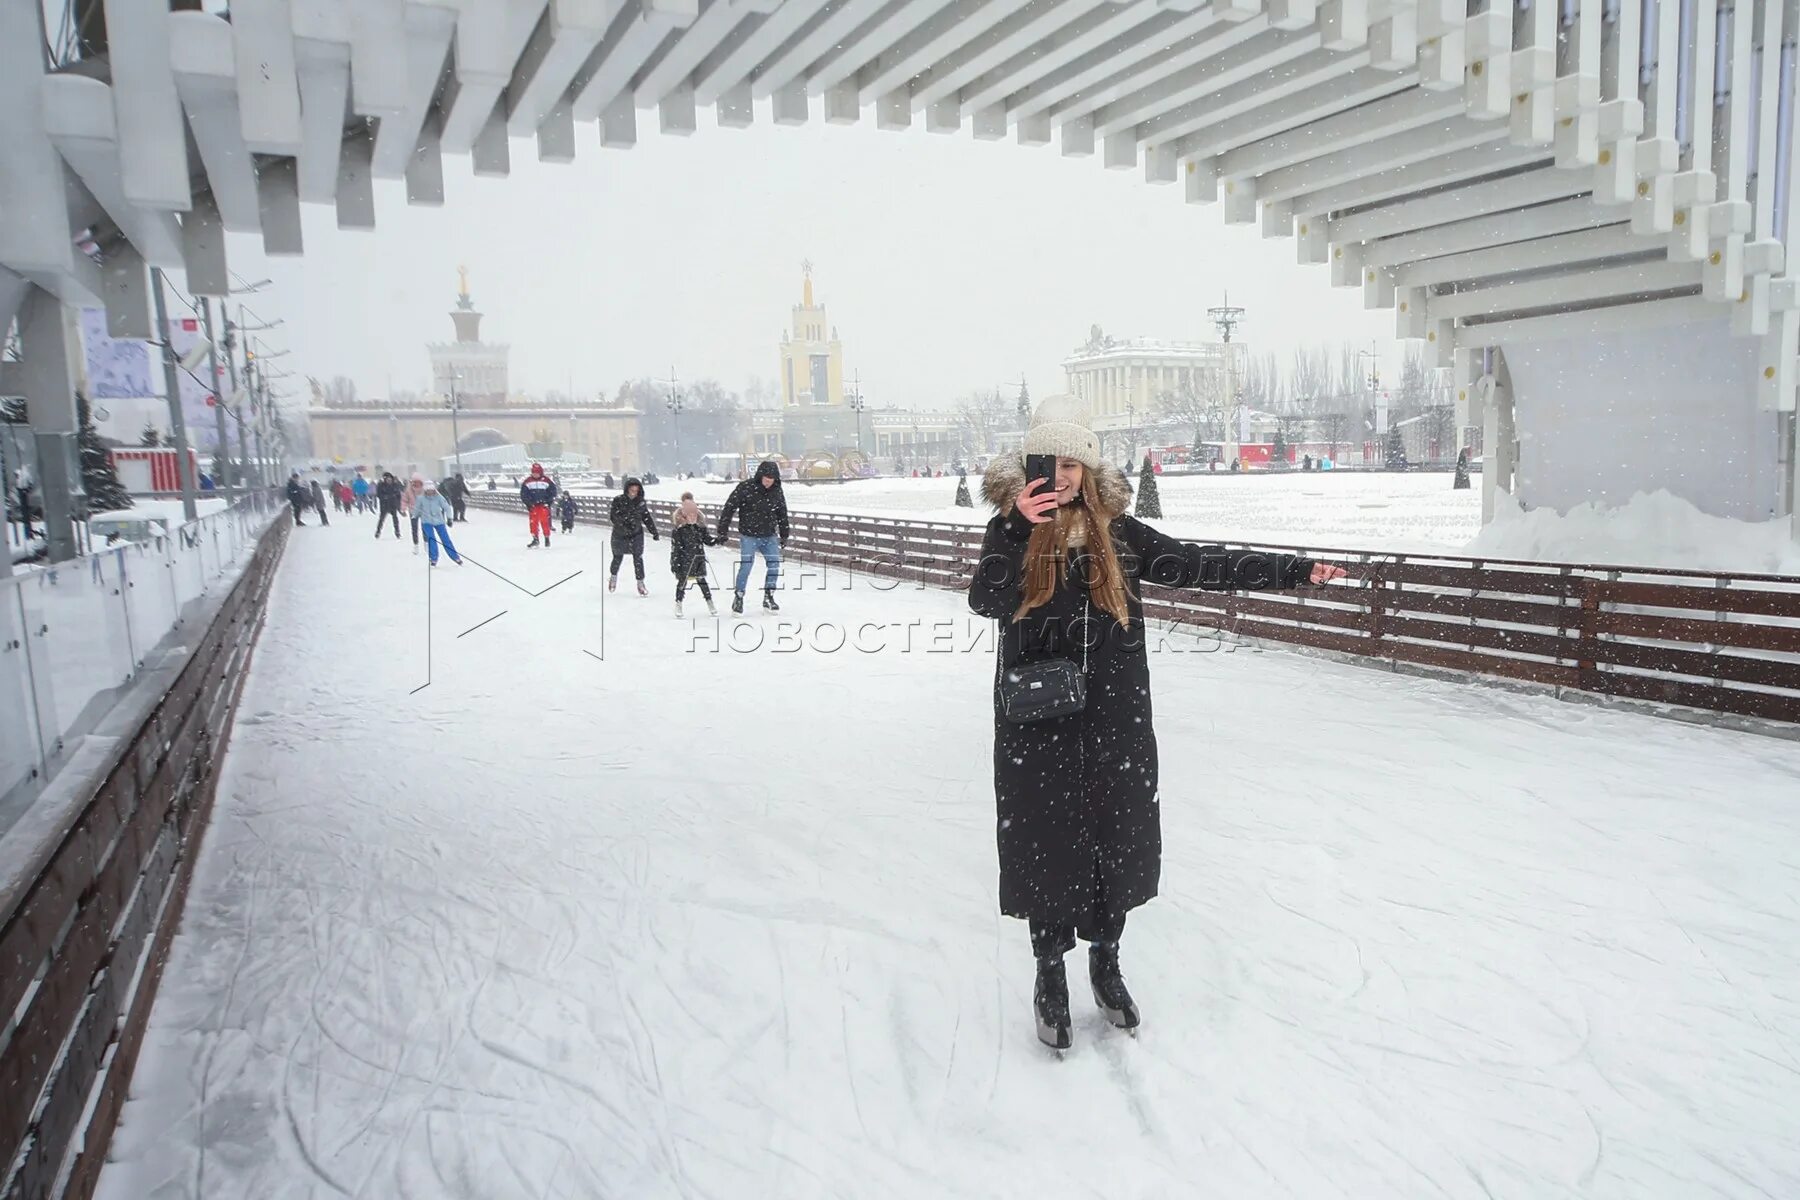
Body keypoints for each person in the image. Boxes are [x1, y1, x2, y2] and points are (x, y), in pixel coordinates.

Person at [966, 394, 1346, 1050]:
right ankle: (1049, 971)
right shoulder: (1013, 532)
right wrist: (1016, 531)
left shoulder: (1122, 537)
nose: (1060, 475)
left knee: (1116, 843)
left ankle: (1105, 962)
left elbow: (1203, 565)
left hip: (1115, 723)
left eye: (1072, 464)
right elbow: (985, 599)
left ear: (1087, 470)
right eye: (1047, 462)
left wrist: (1292, 569)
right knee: (1048, 849)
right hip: (1039, 726)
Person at [715, 460, 789, 614]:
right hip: (749, 535)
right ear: (760, 476)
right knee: (746, 566)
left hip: (769, 535)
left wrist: (784, 534)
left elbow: (782, 513)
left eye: (771, 480)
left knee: (774, 565)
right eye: (766, 480)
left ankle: (769, 596)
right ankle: (739, 597)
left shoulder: (777, 491)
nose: (768, 483)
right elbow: (729, 508)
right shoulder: (746, 487)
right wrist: (722, 531)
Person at [607, 476, 659, 593]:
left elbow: (646, 518)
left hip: (636, 534)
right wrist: (623, 524)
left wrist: (654, 531)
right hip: (620, 535)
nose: (634, 493)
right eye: (632, 490)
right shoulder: (618, 500)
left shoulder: (640, 503)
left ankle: (640, 583)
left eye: (636, 491)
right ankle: (613, 577)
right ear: (627, 490)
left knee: (638, 558)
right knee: (617, 557)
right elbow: (613, 516)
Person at [668, 492, 717, 617]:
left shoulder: (699, 527)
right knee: (682, 582)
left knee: (702, 581)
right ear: (684, 514)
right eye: (689, 514)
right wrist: (675, 563)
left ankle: (709, 602)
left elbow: (708, 540)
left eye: (694, 513)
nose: (692, 516)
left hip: (698, 558)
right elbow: (676, 548)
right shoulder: (679, 530)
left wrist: (718, 539)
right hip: (685, 559)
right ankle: (678, 603)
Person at [414, 480, 462, 567]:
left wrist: (449, 518)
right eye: (428, 490)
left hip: (439, 521)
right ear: (425, 490)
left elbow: (447, 507)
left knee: (445, 539)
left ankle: (455, 557)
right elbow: (416, 509)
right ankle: (434, 558)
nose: (430, 492)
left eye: (431, 490)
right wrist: (415, 516)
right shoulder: (420, 498)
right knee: (432, 539)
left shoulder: (439, 497)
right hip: (426, 522)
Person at [520, 462, 557, 547]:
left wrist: (548, 502)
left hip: (543, 505)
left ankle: (547, 538)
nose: (535, 474)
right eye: (534, 473)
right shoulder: (527, 482)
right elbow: (523, 494)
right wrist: (528, 504)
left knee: (545, 522)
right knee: (533, 523)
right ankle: (535, 538)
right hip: (533, 506)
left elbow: (553, 492)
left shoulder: (547, 481)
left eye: (537, 473)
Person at [374, 471, 403, 538]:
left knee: (395, 519)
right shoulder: (381, 485)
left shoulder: (395, 485)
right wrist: (384, 497)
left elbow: (398, 495)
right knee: (381, 519)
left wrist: (397, 501)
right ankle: (378, 532)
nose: (389, 481)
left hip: (393, 504)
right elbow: (378, 494)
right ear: (385, 479)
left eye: (390, 479)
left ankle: (397, 532)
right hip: (384, 505)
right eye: (387, 479)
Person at [403, 473, 427, 554]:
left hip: (423, 511)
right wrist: (403, 509)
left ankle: (426, 544)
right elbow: (404, 500)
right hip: (413, 511)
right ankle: (416, 545)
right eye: (415, 482)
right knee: (414, 529)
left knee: (425, 528)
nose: (416, 483)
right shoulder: (408, 490)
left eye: (418, 482)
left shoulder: (425, 490)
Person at [14, 464, 34, 538]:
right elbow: (30, 483)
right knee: (25, 512)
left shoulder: (22, 475)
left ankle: (28, 533)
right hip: (23, 492)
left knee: (25, 511)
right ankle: (28, 533)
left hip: (22, 492)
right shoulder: (26, 474)